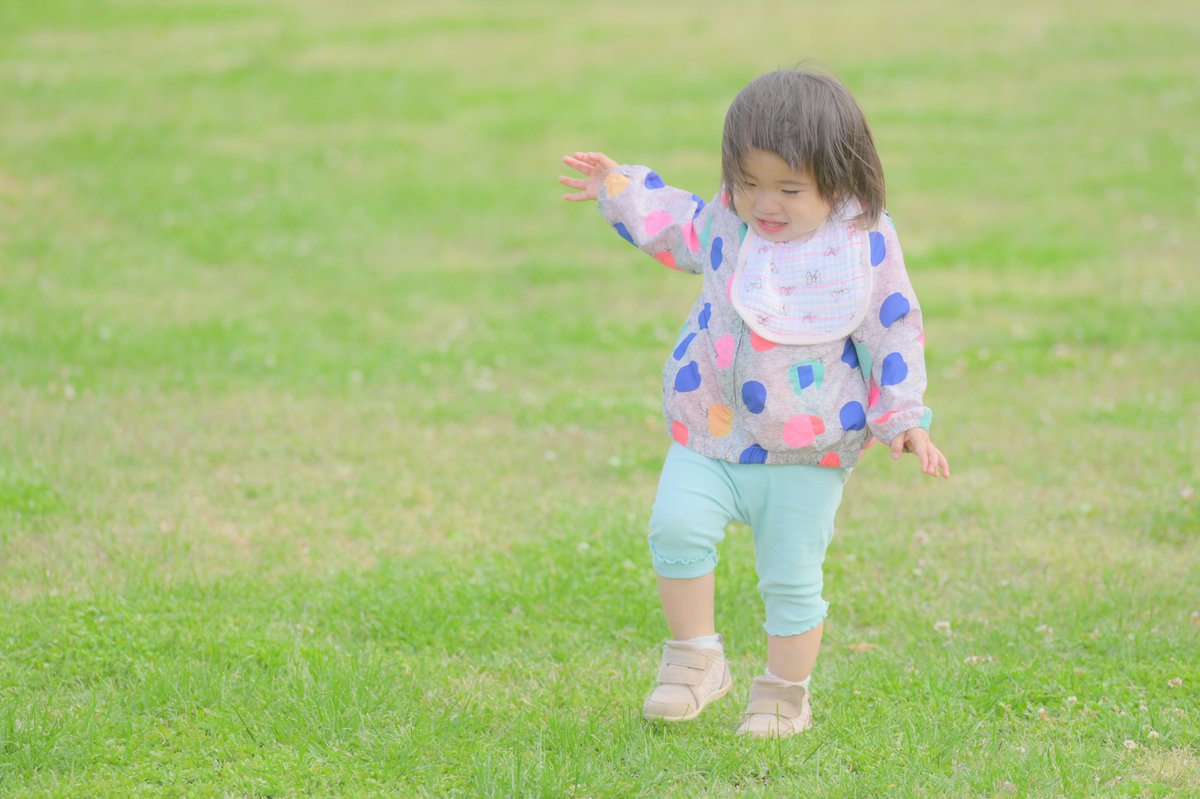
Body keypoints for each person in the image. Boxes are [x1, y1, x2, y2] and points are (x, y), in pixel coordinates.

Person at [558, 68, 950, 738]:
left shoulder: (862, 243)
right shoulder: (727, 225)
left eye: (789, 189)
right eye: (748, 182)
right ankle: (694, 660)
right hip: (711, 429)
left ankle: (784, 694)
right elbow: (672, 220)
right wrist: (617, 188)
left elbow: (894, 325)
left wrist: (904, 417)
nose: (764, 203)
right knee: (675, 530)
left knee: (792, 579)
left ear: (839, 178)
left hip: (808, 451)